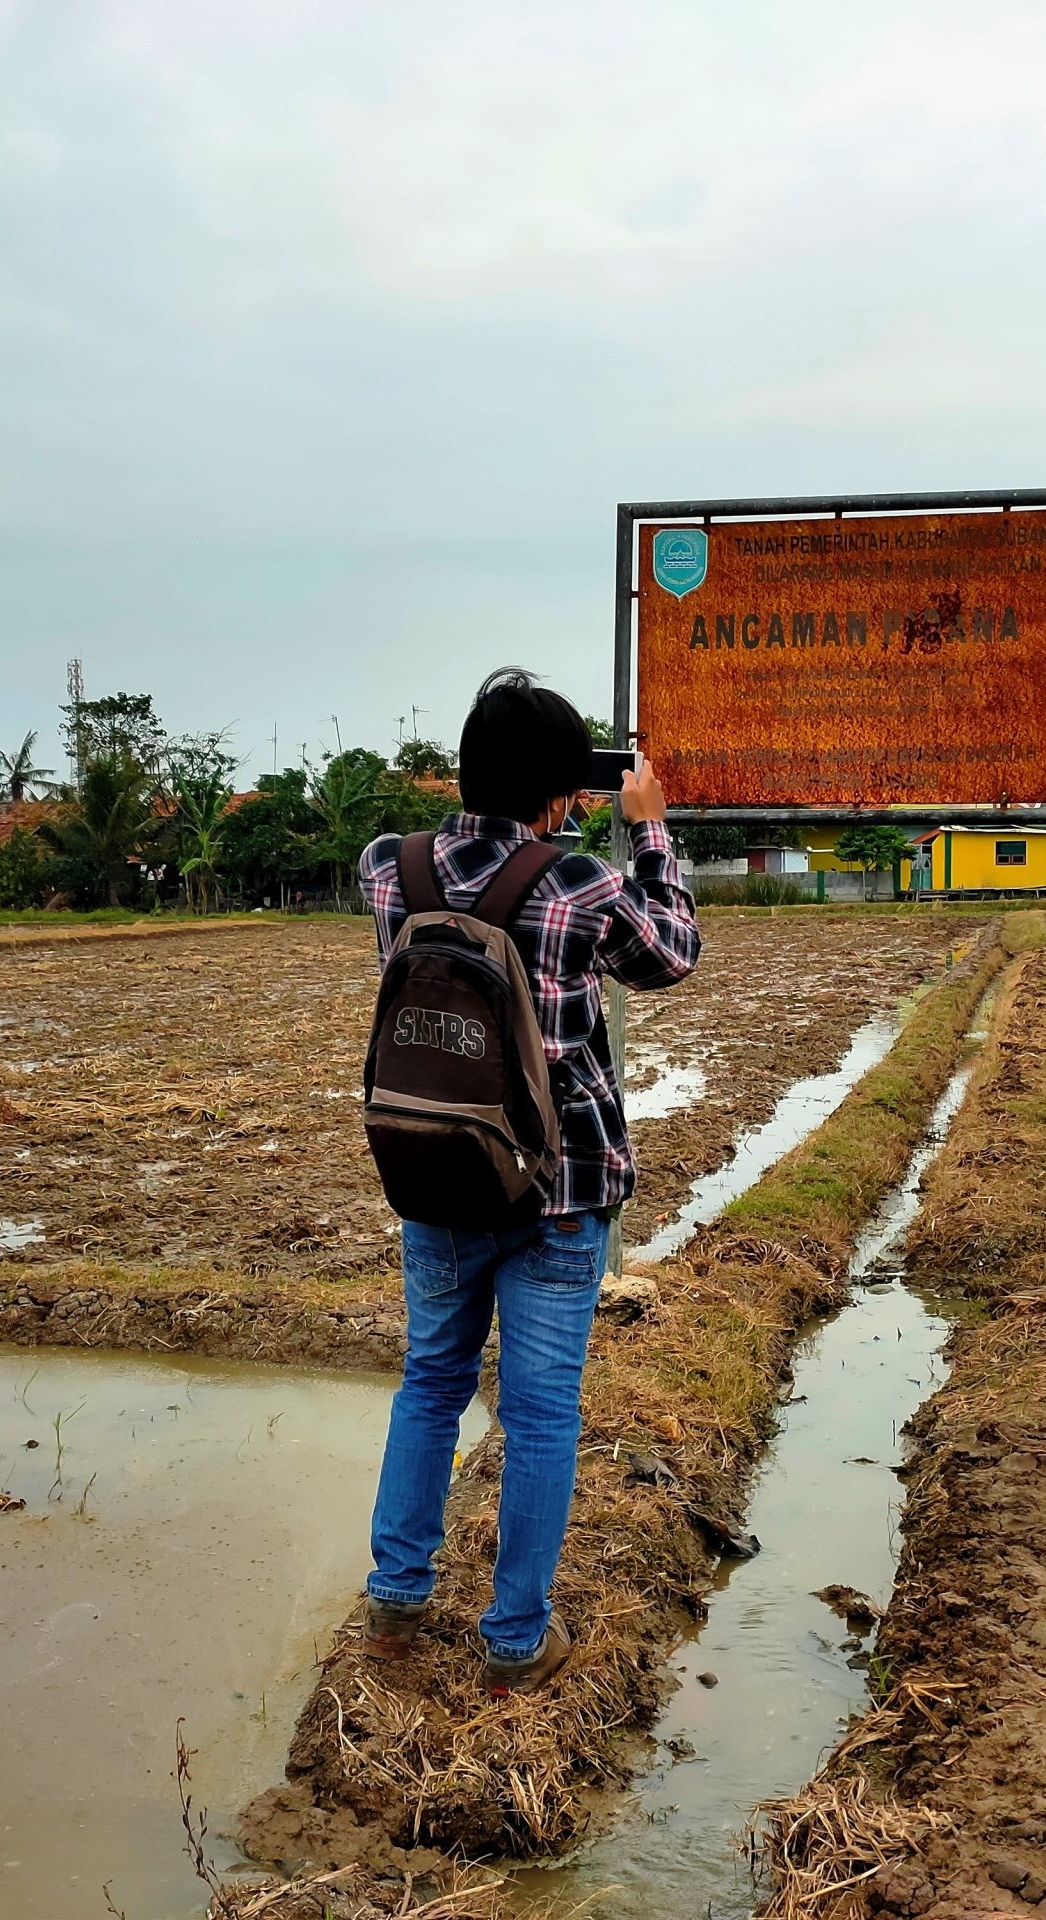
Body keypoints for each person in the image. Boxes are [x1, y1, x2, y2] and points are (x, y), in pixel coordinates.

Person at [355, 668, 700, 1694]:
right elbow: (670, 955)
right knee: (541, 1411)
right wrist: (648, 832)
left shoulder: (387, 867)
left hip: (437, 1165)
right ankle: (515, 1640)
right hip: (562, 1184)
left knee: (429, 1383)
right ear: (561, 790)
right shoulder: (578, 881)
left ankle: (398, 1595)